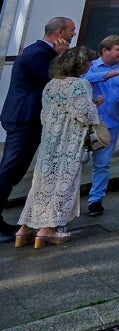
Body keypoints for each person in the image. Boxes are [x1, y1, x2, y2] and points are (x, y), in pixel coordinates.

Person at [12, 46, 101, 248]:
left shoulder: (51, 84)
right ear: (80, 64)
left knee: (42, 184)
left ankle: (25, 229)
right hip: (69, 141)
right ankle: (48, 229)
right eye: (88, 61)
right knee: (64, 183)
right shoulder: (80, 84)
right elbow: (85, 115)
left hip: (50, 139)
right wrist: (96, 104)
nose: (90, 65)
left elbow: (46, 113)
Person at [0, 17, 75, 240]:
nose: (73, 35)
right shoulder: (37, 54)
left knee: (14, 169)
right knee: (9, 169)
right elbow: (55, 81)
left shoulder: (40, 52)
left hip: (27, 118)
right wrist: (62, 57)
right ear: (59, 32)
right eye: (71, 30)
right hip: (25, 118)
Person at [83, 36, 119, 216]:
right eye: (118, 49)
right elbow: (85, 80)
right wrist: (113, 74)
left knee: (103, 164)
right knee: (77, 163)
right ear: (105, 51)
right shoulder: (89, 66)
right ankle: (67, 199)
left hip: (110, 124)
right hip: (85, 123)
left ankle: (95, 201)